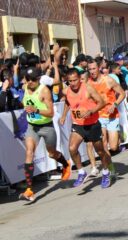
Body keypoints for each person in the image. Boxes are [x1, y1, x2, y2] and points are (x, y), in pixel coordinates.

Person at [19, 67, 71, 201]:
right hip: (32, 126)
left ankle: (65, 164)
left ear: (38, 80)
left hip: (46, 126)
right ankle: (29, 190)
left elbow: (51, 113)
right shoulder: (26, 87)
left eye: (32, 80)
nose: (29, 82)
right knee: (29, 152)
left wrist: (36, 110)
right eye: (27, 80)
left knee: (52, 153)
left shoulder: (44, 91)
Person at [60, 68, 112, 188]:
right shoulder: (66, 90)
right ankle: (81, 172)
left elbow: (102, 102)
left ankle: (105, 172)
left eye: (75, 80)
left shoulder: (87, 88)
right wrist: (63, 115)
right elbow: (68, 102)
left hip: (92, 124)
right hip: (78, 124)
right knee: (72, 148)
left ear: (80, 78)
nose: (73, 83)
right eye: (70, 81)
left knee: (100, 151)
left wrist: (91, 111)